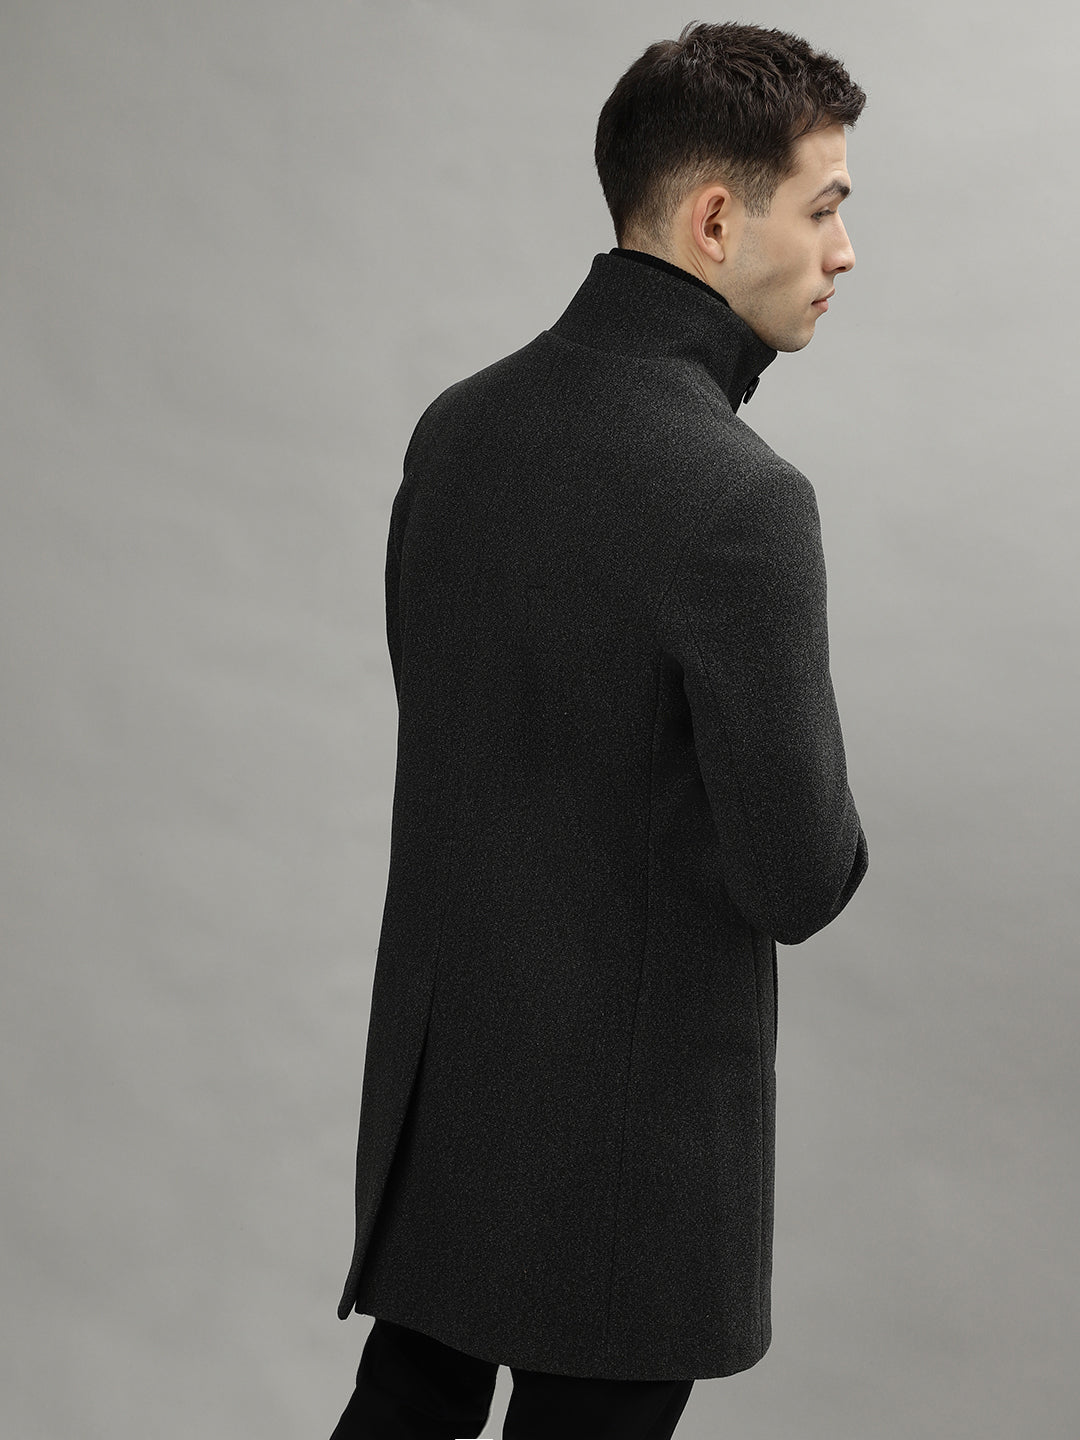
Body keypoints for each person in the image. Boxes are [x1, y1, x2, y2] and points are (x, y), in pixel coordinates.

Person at [329, 20, 870, 1440]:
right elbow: (798, 880)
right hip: (629, 1154)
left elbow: (460, 729)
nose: (844, 252)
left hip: (450, 1101)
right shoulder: (740, 499)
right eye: (823, 208)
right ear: (715, 221)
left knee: (405, 1405)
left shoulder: (457, 431)